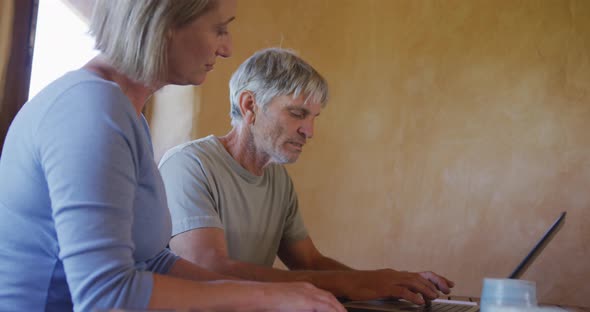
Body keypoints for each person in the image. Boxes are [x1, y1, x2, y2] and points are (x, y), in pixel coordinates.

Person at [0, 1, 345, 311]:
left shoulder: (126, 114)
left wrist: (285, 292)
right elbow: (106, 296)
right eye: (219, 29)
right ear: (165, 22)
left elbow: (152, 262)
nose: (227, 48)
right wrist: (267, 297)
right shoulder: (91, 109)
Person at [158, 47, 456, 305]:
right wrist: (354, 284)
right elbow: (209, 269)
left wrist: (385, 287)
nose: (309, 132)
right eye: (297, 114)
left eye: (314, 118)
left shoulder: (277, 180)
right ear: (249, 105)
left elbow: (309, 262)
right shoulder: (189, 165)